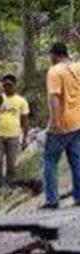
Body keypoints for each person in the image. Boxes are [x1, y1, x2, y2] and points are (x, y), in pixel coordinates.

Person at [41, 40, 80, 209]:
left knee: (49, 160)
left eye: (50, 55)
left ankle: (52, 200)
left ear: (55, 55)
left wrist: (55, 122)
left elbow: (54, 98)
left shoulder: (54, 72)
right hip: (77, 122)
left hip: (63, 124)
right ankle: (79, 197)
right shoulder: (76, 67)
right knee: (76, 161)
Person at [0, 74, 30, 188]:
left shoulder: (21, 101)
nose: (7, 88)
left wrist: (25, 138)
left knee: (11, 163)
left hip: (14, 136)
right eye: (4, 86)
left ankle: (10, 184)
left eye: (9, 85)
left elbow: (25, 120)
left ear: (14, 86)